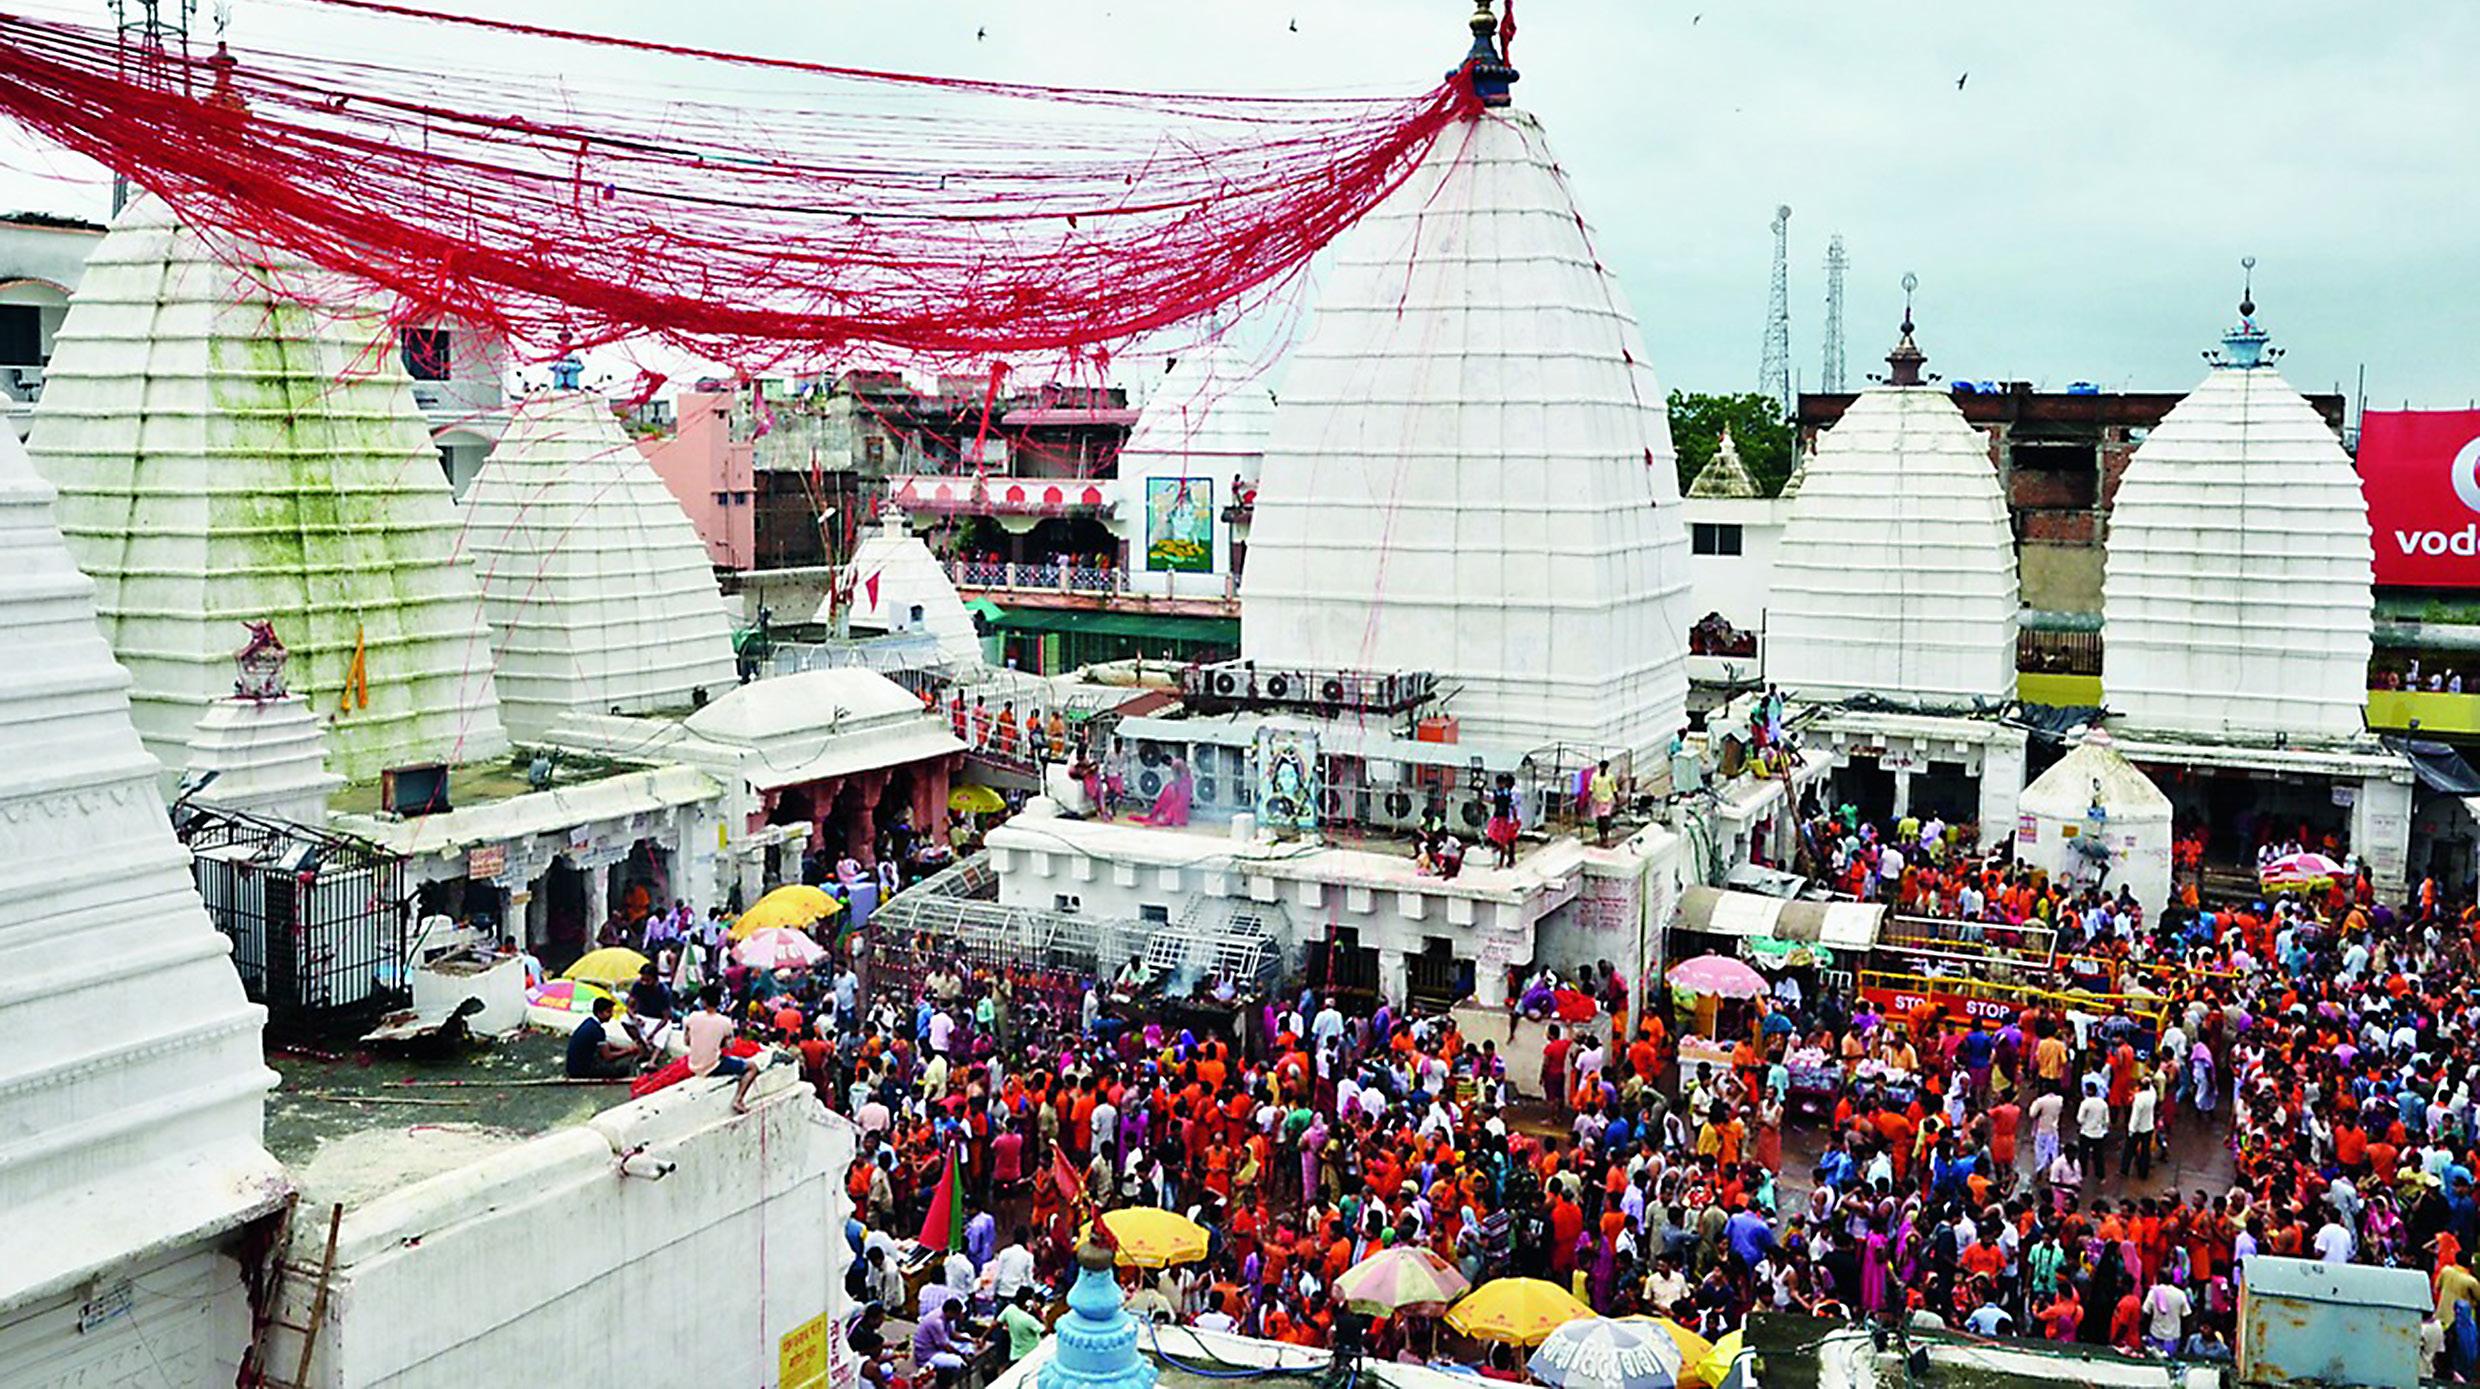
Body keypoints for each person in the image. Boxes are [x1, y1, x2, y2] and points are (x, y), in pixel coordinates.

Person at [686, 985, 764, 1111]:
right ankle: (738, 1100)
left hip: (693, 1063)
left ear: (703, 1001)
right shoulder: (725, 1022)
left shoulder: (692, 1017)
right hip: (712, 1065)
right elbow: (730, 1046)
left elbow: (687, 1041)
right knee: (752, 1067)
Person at [565, 995, 639, 1079]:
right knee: (623, 1068)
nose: (611, 1015)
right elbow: (608, 1056)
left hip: (573, 1067)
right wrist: (628, 1051)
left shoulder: (589, 1022)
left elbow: (605, 1043)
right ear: (599, 1013)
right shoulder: (597, 1030)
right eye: (608, 1012)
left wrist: (623, 1048)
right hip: (582, 1071)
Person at [1589, 760, 1619, 847]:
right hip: (1597, 800)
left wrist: (1617, 799)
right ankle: (1601, 835)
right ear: (1600, 767)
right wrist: (1589, 799)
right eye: (1602, 767)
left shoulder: (1610, 777)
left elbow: (1614, 788)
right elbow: (1591, 788)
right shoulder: (1594, 776)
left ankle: (1605, 835)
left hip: (1607, 800)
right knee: (1599, 819)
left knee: (1605, 818)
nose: (1603, 769)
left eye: (1605, 767)